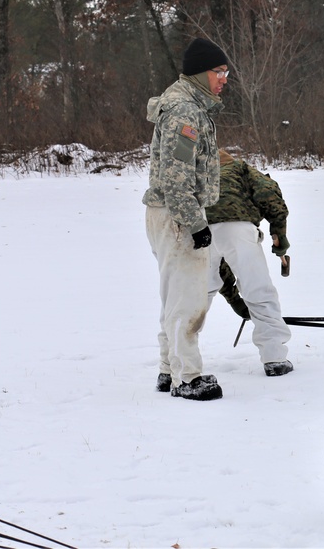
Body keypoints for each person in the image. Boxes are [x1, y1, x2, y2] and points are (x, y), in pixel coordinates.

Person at [144, 37, 230, 401]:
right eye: (219, 71)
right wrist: (195, 223)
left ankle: (169, 368)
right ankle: (187, 378)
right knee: (188, 299)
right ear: (200, 73)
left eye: (226, 71)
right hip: (178, 216)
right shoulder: (184, 111)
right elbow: (176, 175)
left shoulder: (189, 104)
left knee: (173, 296)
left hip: (167, 213)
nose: (224, 78)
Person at [206, 149, 294, 377]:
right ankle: (274, 358)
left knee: (196, 294)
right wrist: (279, 234)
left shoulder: (198, 174)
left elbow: (219, 268)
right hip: (238, 226)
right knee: (258, 289)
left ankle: (177, 362)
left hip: (198, 230)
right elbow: (267, 192)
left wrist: (235, 300)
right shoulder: (240, 168)